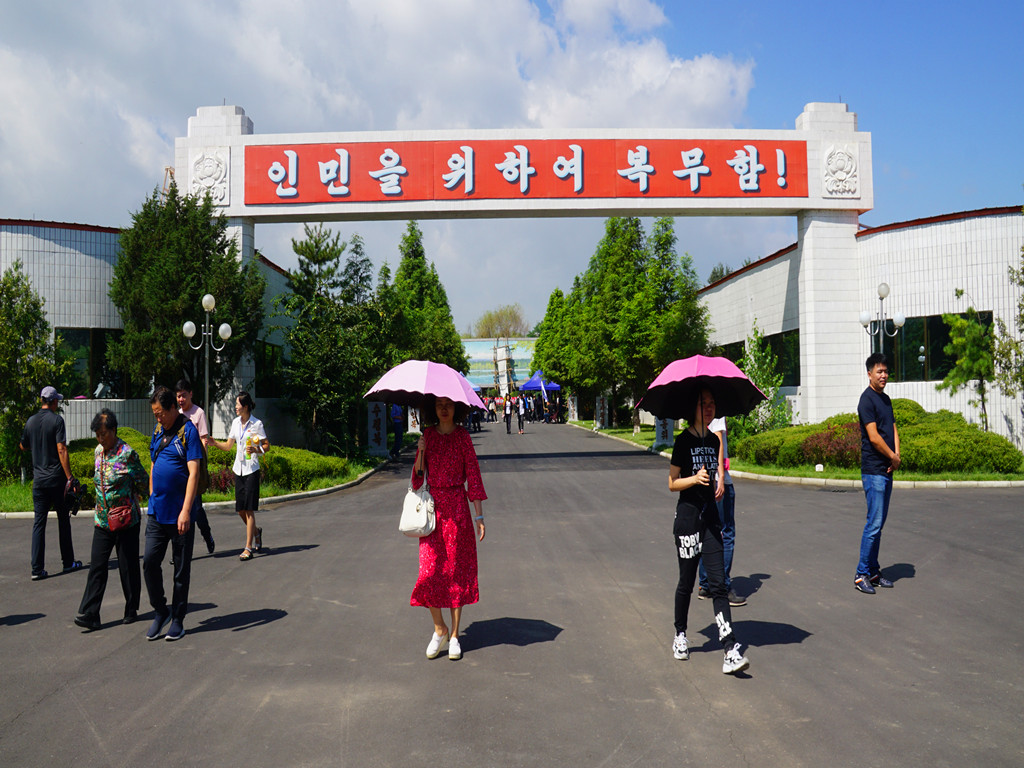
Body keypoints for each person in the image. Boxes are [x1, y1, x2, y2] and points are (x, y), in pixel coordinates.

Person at [668, 389, 749, 675]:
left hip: (711, 519)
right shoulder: (683, 441)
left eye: (713, 403)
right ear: (694, 408)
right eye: (704, 403)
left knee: (718, 584)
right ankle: (680, 634)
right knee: (687, 582)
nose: (710, 408)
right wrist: (695, 478)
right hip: (688, 519)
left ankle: (730, 648)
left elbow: (716, 472)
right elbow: (672, 483)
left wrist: (718, 482)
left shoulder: (714, 440)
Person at [411, 395, 487, 661]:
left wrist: (479, 516)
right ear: (434, 408)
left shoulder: (463, 437)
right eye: (439, 404)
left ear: (457, 408)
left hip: (457, 509)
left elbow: (474, 476)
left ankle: (454, 635)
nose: (444, 408)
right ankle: (438, 627)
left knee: (456, 572)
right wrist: (421, 450)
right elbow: (418, 478)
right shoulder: (428, 437)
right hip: (433, 511)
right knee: (428, 573)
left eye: (449, 404)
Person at [74, 409, 148, 630]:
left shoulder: (127, 454)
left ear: (113, 431)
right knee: (97, 565)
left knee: (128, 566)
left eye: (104, 434)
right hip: (103, 520)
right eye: (97, 434)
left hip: (126, 520)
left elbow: (144, 481)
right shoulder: (98, 451)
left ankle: (131, 607)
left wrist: (133, 494)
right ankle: (91, 614)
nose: (100, 438)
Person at [144, 386, 202, 641]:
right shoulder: (158, 431)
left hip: (179, 515)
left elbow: (194, 474)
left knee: (180, 569)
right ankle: (160, 610)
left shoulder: (187, 431)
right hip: (157, 513)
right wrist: (151, 495)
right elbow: (154, 463)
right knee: (149, 563)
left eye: (160, 413)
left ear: (171, 409)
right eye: (154, 413)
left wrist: (186, 511)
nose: (157, 418)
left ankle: (178, 619)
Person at [19, 386, 81, 580]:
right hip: (56, 480)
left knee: (39, 523)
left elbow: (23, 445)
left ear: (41, 401)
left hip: (39, 482)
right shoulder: (57, 421)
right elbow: (61, 449)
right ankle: (68, 562)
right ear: (53, 402)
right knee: (63, 520)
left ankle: (37, 569)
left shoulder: (30, 421)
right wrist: (70, 477)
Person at [855, 352, 900, 594]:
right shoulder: (866, 400)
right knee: (873, 523)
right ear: (869, 373)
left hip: (887, 468)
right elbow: (873, 437)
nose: (884, 375)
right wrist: (891, 456)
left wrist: (896, 455)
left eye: (885, 371)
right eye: (879, 371)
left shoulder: (886, 399)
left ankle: (873, 571)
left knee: (879, 524)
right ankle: (861, 574)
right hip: (874, 470)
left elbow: (892, 428)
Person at [205, 391, 269, 562]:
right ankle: (256, 532)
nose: (235, 407)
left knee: (249, 509)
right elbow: (228, 446)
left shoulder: (257, 424)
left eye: (237, 404)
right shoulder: (234, 423)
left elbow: (267, 445)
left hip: (251, 470)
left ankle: (248, 548)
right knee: (240, 510)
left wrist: (256, 450)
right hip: (238, 469)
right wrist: (214, 443)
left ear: (245, 406)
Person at [697, 416, 744, 606]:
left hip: (704, 479)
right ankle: (722, 586)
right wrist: (721, 476)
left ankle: (706, 584)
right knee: (726, 532)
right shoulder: (716, 410)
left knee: (708, 530)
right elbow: (717, 440)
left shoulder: (699, 409)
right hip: (718, 480)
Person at [176, 380, 215, 554]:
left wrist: (200, 469)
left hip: (194, 469)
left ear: (190, 394)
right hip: (180, 470)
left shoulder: (198, 413)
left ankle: (207, 535)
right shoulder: (175, 414)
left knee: (196, 509)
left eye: (184, 395)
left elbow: (203, 441)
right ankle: (180, 550)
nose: (181, 399)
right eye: (178, 396)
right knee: (180, 509)